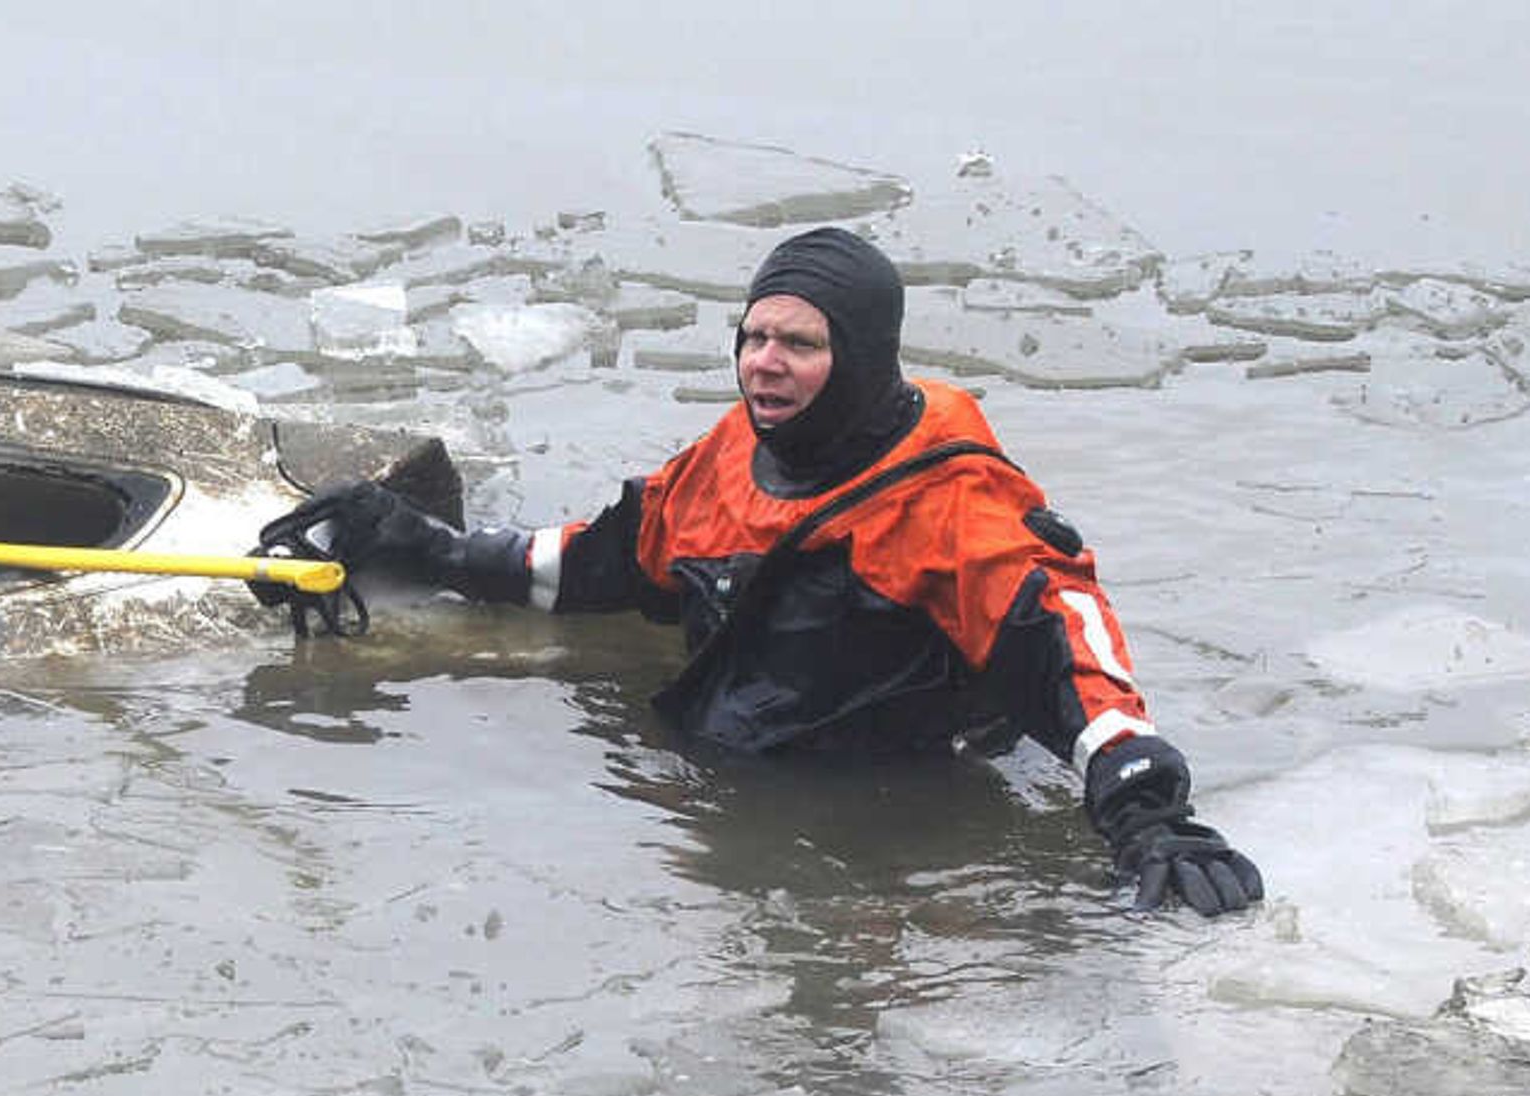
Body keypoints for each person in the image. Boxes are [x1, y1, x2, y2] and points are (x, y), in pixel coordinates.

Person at [265, 224, 1264, 917]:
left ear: (864, 357)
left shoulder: (957, 500)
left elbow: (1070, 653)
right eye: (752, 337)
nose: (763, 364)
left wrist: (1148, 814)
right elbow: (597, 566)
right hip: (719, 795)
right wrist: (420, 545)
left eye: (799, 343)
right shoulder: (726, 461)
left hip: (887, 824)